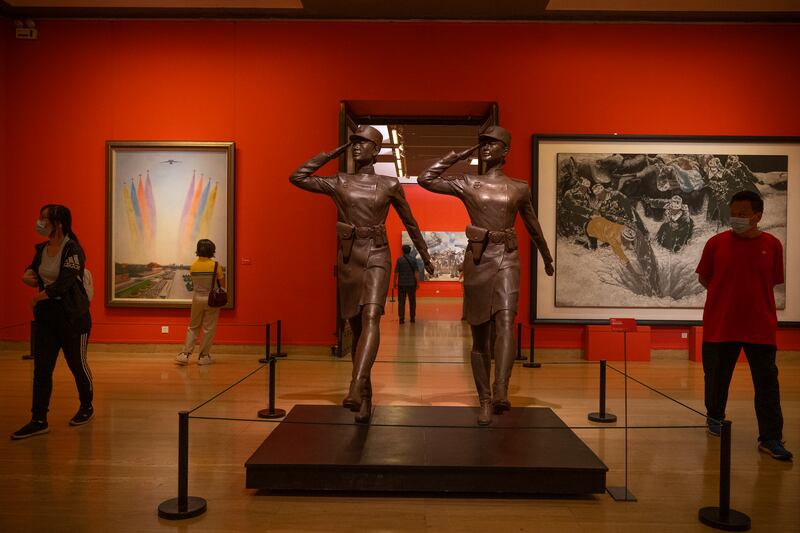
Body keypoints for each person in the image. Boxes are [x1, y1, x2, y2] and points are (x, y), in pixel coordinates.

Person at [290, 125, 434, 423]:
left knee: (371, 315)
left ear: (375, 150)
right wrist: (333, 153)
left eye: (362, 143)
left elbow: (410, 222)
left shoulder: (389, 184)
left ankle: (355, 385)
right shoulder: (340, 181)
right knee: (355, 328)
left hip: (378, 252)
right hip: (348, 256)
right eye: (353, 143)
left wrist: (425, 253)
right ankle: (366, 396)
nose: (356, 147)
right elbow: (298, 177)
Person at [419, 126, 554, 426]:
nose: (486, 149)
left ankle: (500, 389)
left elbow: (533, 225)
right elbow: (425, 179)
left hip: (507, 256)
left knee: (506, 320)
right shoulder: (469, 183)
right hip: (478, 260)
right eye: (482, 144)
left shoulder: (519, 188)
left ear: (506, 151)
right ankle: (483, 400)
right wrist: (459, 155)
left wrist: (546, 255)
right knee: (479, 335)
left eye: (493, 144)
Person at [696, 190, 792, 461]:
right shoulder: (716, 243)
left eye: (743, 214)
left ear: (758, 216)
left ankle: (770, 437)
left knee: (767, 384)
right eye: (733, 213)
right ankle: (714, 417)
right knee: (715, 378)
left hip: (760, 326)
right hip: (720, 323)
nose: (736, 218)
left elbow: (771, 280)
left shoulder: (772, 244)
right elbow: (705, 278)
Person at [12, 204, 93, 440]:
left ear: (58, 223)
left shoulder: (73, 249)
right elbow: (34, 269)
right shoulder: (43, 248)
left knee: (77, 365)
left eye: (44, 218)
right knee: (42, 370)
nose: (40, 222)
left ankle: (86, 407)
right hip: (47, 319)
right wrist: (27, 274)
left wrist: (38, 296)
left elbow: (64, 283)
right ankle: (39, 419)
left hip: (72, 318)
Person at [176, 239, 225, 366]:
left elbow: (194, 283)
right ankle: (203, 356)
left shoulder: (193, 266)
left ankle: (185, 355)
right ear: (211, 250)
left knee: (193, 326)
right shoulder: (215, 265)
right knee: (209, 328)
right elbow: (222, 284)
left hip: (197, 298)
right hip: (211, 299)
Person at [394, 244, 420, 324]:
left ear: (402, 251)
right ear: (410, 251)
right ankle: (412, 318)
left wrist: (395, 282)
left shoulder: (399, 260)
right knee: (412, 301)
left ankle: (401, 318)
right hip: (411, 284)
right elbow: (416, 272)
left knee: (401, 302)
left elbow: (396, 273)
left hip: (401, 284)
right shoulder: (413, 260)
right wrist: (418, 283)